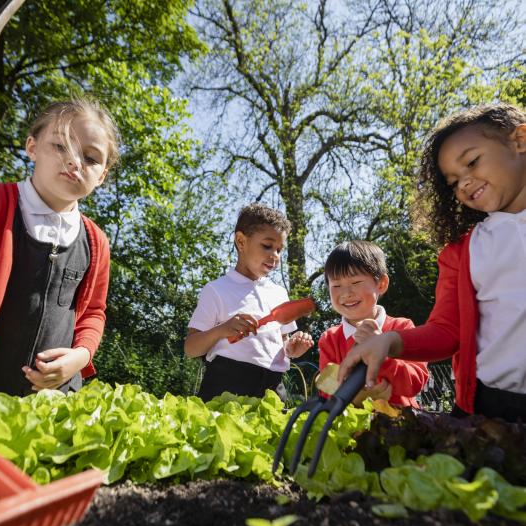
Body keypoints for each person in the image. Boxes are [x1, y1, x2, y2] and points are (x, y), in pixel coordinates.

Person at [338, 103, 526, 422]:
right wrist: (391, 340)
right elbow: (446, 330)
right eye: (453, 181)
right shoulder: (463, 251)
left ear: (519, 140)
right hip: (491, 407)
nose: (464, 183)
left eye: (472, 161)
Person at [0, 99, 119, 401]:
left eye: (91, 158)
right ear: (32, 147)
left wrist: (80, 357)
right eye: (61, 146)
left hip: (50, 402)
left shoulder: (96, 242)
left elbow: (93, 313)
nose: (74, 161)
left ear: (102, 176)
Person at [185, 203, 313, 401]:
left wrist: (291, 350)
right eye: (267, 246)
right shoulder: (216, 290)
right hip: (226, 384)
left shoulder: (279, 293)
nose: (275, 256)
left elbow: (283, 345)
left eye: (279, 249)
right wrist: (222, 330)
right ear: (241, 241)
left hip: (273, 388)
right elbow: (191, 348)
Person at [318, 240, 428, 407]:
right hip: (352, 430)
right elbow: (327, 391)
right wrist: (359, 397)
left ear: (381, 284)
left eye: (355, 283)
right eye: (336, 285)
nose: (346, 293)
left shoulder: (402, 328)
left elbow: (415, 383)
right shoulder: (330, 339)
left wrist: (381, 353)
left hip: (400, 426)